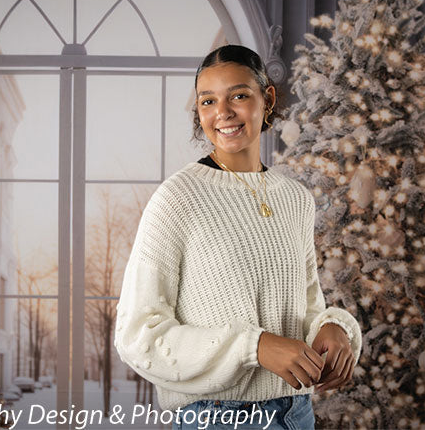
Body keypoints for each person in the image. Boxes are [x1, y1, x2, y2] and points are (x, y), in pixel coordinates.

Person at [114, 45, 362, 429]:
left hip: (297, 414)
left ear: (268, 97)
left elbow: (308, 306)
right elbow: (137, 334)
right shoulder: (177, 198)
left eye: (239, 95)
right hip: (215, 418)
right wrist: (254, 347)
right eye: (208, 101)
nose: (223, 113)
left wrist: (332, 327)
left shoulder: (295, 199)